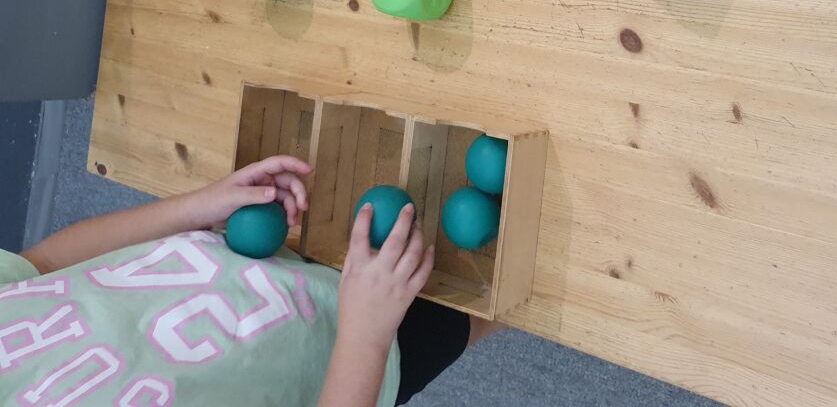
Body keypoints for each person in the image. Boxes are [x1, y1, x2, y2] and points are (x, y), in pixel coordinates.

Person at [2, 155, 499, 406]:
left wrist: (196, 207)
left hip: (250, 247)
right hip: (341, 351)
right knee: (485, 297)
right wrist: (364, 338)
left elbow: (42, 263)